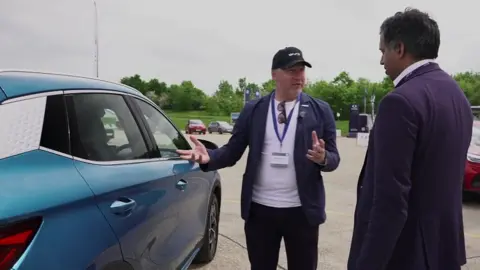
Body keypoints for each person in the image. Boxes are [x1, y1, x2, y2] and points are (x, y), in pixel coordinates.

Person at [177, 46, 340, 270]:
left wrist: (323, 158)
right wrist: (209, 157)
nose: (299, 76)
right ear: (274, 74)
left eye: (301, 70)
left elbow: (334, 159)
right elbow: (232, 151)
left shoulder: (320, 111)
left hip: (302, 212)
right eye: (292, 70)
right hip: (261, 210)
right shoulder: (255, 110)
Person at [347, 8, 473, 270]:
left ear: (400, 49)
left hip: (405, 255)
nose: (382, 61)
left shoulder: (400, 102)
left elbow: (390, 202)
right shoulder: (457, 96)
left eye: (383, 51)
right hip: (443, 252)